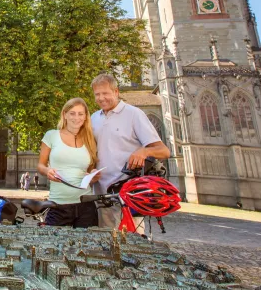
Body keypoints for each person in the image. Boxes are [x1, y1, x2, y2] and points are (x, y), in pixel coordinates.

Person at [90, 73, 170, 230]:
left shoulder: (134, 114)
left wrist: (144, 152)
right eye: (97, 94)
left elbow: (164, 151)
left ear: (116, 92)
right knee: (105, 240)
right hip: (101, 197)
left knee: (132, 241)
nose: (101, 98)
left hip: (128, 196)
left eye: (105, 93)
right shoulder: (94, 118)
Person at [37, 97, 100, 227]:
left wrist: (93, 175)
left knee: (87, 241)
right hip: (58, 205)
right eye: (72, 113)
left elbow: (89, 171)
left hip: (86, 205)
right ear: (64, 115)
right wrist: (47, 171)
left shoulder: (90, 139)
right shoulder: (51, 135)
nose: (76, 117)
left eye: (80, 114)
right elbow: (40, 165)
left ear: (85, 117)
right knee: (53, 240)